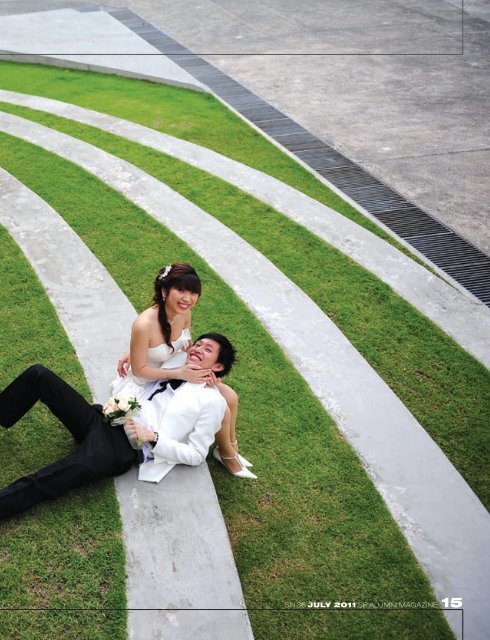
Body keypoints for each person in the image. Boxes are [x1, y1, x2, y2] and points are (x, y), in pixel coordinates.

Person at [0, 333, 254, 520]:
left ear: (218, 366)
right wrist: (156, 364)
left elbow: (197, 455)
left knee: (52, 478)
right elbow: (147, 352)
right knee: (39, 375)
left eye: (207, 349)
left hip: (121, 448)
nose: (198, 348)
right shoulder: (173, 363)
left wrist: (153, 437)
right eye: (198, 344)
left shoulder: (211, 401)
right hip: (102, 417)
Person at [114, 263, 253, 477]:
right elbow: (140, 370)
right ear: (164, 291)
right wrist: (179, 373)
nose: (187, 298)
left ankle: (232, 448)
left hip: (173, 366)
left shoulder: (184, 313)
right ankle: (227, 455)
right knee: (222, 407)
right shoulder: (144, 323)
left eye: (193, 292)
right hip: (147, 382)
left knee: (230, 396)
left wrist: (205, 373)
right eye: (181, 290)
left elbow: (186, 345)